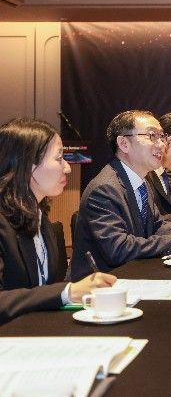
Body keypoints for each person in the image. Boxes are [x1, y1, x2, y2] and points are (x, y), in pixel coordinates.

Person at [69, 111, 171, 281]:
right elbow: (119, 249)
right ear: (124, 144)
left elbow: (157, 226)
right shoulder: (104, 189)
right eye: (152, 136)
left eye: (162, 136)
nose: (162, 144)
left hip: (133, 275)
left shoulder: (141, 182)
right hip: (100, 287)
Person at [0, 118, 115, 324]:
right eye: (59, 158)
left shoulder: (40, 217)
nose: (67, 168)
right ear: (28, 165)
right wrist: (68, 292)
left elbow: (42, 289)